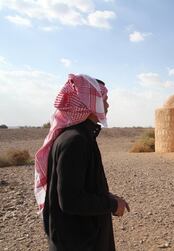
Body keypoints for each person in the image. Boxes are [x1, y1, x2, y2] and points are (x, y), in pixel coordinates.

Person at [34, 74, 129, 251]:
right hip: (78, 242)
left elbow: (79, 186)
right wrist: (113, 205)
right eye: (104, 100)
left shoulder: (80, 136)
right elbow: (71, 200)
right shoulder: (75, 141)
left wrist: (107, 197)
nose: (107, 105)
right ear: (90, 103)